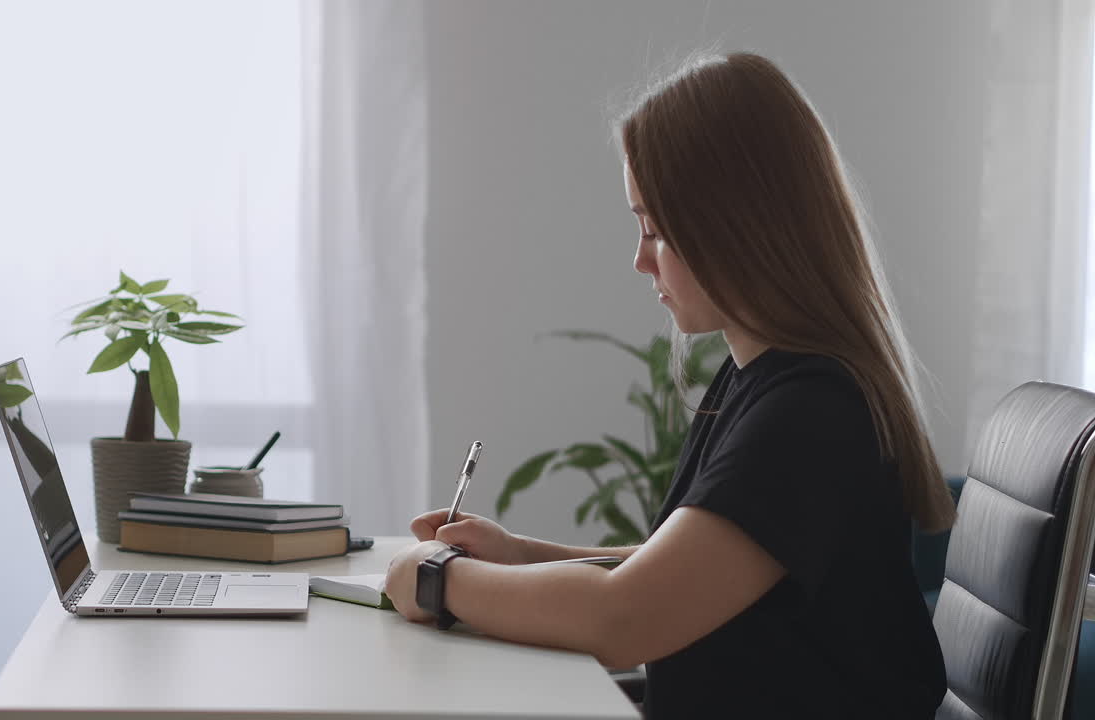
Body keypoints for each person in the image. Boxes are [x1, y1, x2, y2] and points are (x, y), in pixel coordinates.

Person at [383, 51, 954, 718]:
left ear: (735, 227)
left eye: (654, 228)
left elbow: (626, 619)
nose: (639, 258)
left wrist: (435, 580)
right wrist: (517, 556)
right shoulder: (759, 379)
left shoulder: (811, 415)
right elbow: (681, 571)